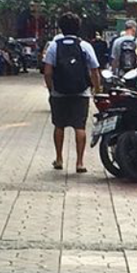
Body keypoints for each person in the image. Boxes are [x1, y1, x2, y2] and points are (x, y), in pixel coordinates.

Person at [42, 11, 101, 174]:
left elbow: (47, 72)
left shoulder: (54, 46)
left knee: (59, 125)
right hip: (81, 92)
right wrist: (96, 89)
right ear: (78, 28)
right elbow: (95, 70)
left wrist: (51, 89)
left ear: (60, 28)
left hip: (59, 93)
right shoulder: (85, 46)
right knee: (79, 126)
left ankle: (59, 159)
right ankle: (80, 163)